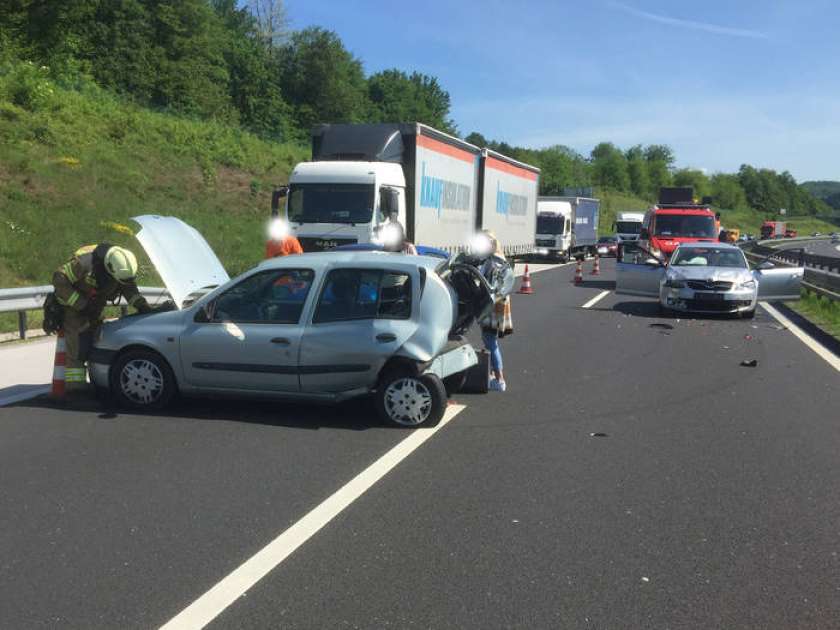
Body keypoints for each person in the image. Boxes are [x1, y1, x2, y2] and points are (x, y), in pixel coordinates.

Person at [52, 244, 152, 390]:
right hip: (74, 309)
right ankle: (76, 390)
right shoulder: (85, 263)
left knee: (96, 344)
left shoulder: (121, 266)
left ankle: (96, 384)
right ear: (110, 268)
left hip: (94, 309)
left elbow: (129, 289)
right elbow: (59, 280)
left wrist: (143, 306)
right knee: (77, 349)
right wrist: (81, 304)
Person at [477, 231, 513, 392]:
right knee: (490, 340)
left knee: (490, 341)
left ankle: (499, 380)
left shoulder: (492, 262)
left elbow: (485, 283)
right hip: (500, 305)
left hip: (492, 306)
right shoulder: (501, 259)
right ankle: (493, 375)